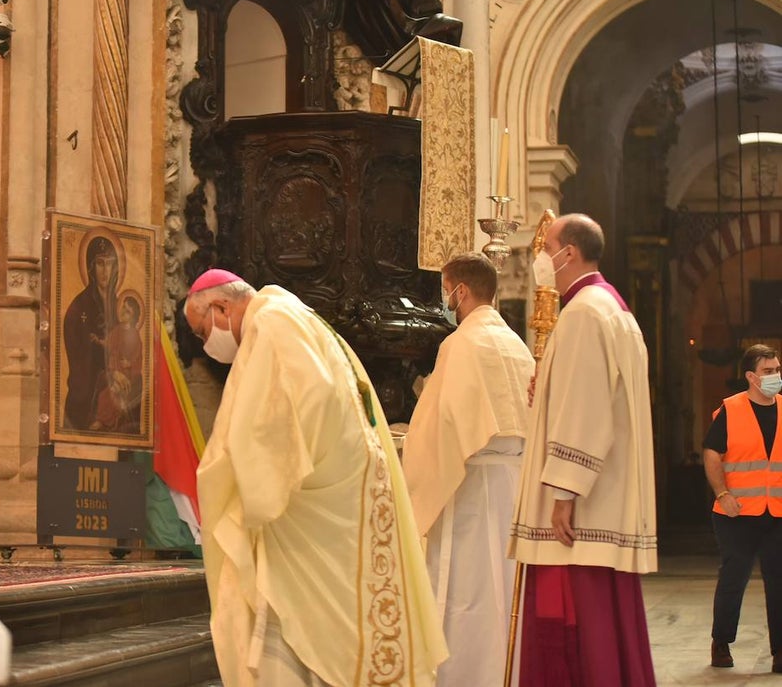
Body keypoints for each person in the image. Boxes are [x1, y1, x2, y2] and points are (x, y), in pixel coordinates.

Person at [185, 268, 446, 686]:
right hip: (333, 487)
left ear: (221, 306)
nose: (207, 343)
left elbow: (310, 398)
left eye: (202, 330)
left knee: (287, 609)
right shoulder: (285, 314)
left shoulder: (272, 321)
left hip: (315, 499)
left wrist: (262, 479)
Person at [508, 213, 658, 685]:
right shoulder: (611, 307)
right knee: (609, 623)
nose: (540, 258)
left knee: (581, 628)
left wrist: (564, 492)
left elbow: (586, 408)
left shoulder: (583, 314)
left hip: (585, 509)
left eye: (545, 246)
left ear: (567, 253)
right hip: (607, 495)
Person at [403, 252, 534, 685]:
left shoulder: (460, 345)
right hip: (513, 484)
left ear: (459, 290)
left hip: (472, 486)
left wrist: (413, 480)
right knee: (505, 588)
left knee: (466, 590)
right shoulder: (516, 345)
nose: (445, 299)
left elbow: (441, 426)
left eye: (445, 290)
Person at [702, 343, 782, 671]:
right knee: (734, 579)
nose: (776, 376)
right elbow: (711, 454)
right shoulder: (730, 410)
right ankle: (721, 643)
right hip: (737, 514)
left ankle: (780, 652)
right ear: (751, 376)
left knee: (779, 581)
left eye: (778, 370)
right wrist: (722, 494)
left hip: (777, 513)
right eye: (768, 371)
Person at [63, 235, 119, 429]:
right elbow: (77, 354)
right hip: (88, 386)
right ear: (90, 268)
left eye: (110, 264)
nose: (106, 272)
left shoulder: (120, 305)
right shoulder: (80, 307)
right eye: (100, 264)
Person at [92, 294, 144, 432]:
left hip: (128, 372)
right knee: (106, 393)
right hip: (114, 366)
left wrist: (130, 364)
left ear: (133, 317)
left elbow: (138, 358)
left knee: (112, 393)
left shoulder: (135, 335)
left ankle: (106, 420)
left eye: (128, 311)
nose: (123, 312)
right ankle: (103, 420)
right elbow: (109, 343)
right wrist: (98, 341)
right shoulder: (117, 330)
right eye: (123, 307)